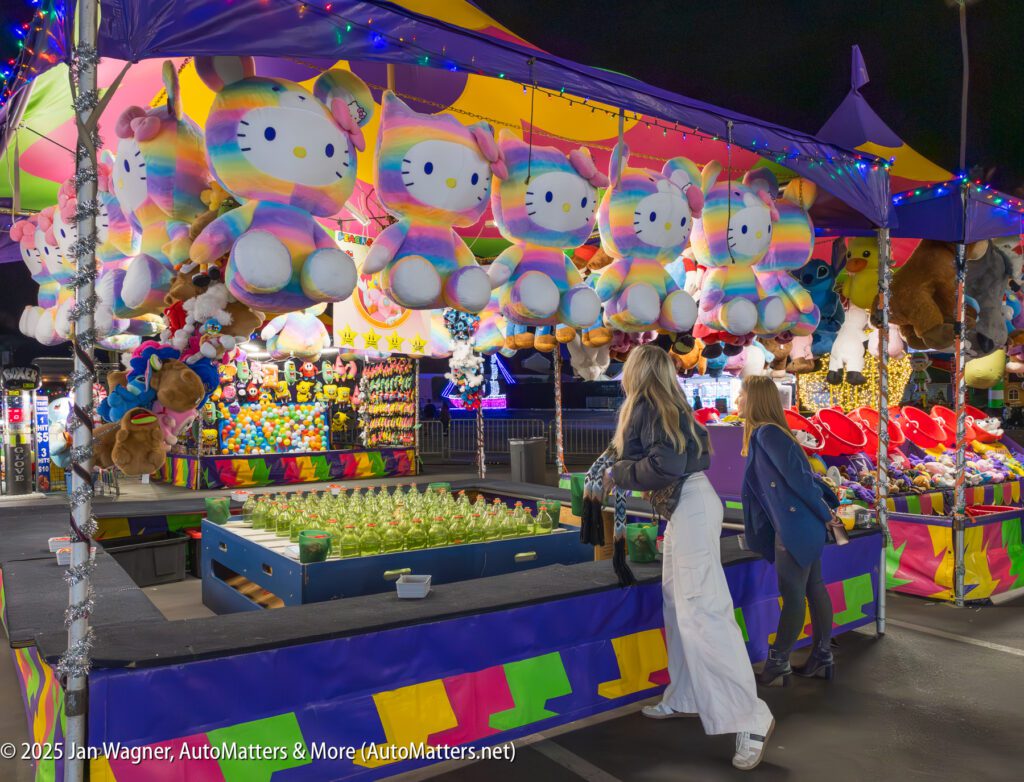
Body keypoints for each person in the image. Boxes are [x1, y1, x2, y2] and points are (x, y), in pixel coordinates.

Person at [605, 344, 774, 772]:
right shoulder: (671, 405)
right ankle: (685, 695)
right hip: (690, 506)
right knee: (680, 606)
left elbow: (664, 464)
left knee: (702, 612)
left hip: (690, 507)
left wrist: (619, 472)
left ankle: (751, 716)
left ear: (637, 371)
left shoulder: (648, 405)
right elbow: (678, 459)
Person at [738, 375, 838, 686]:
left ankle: (778, 660)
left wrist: (826, 514)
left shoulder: (768, 434)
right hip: (801, 524)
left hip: (795, 527)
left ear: (755, 400)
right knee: (813, 587)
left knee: (794, 594)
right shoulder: (771, 434)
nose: (738, 401)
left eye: (742, 396)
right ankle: (822, 654)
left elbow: (800, 482)